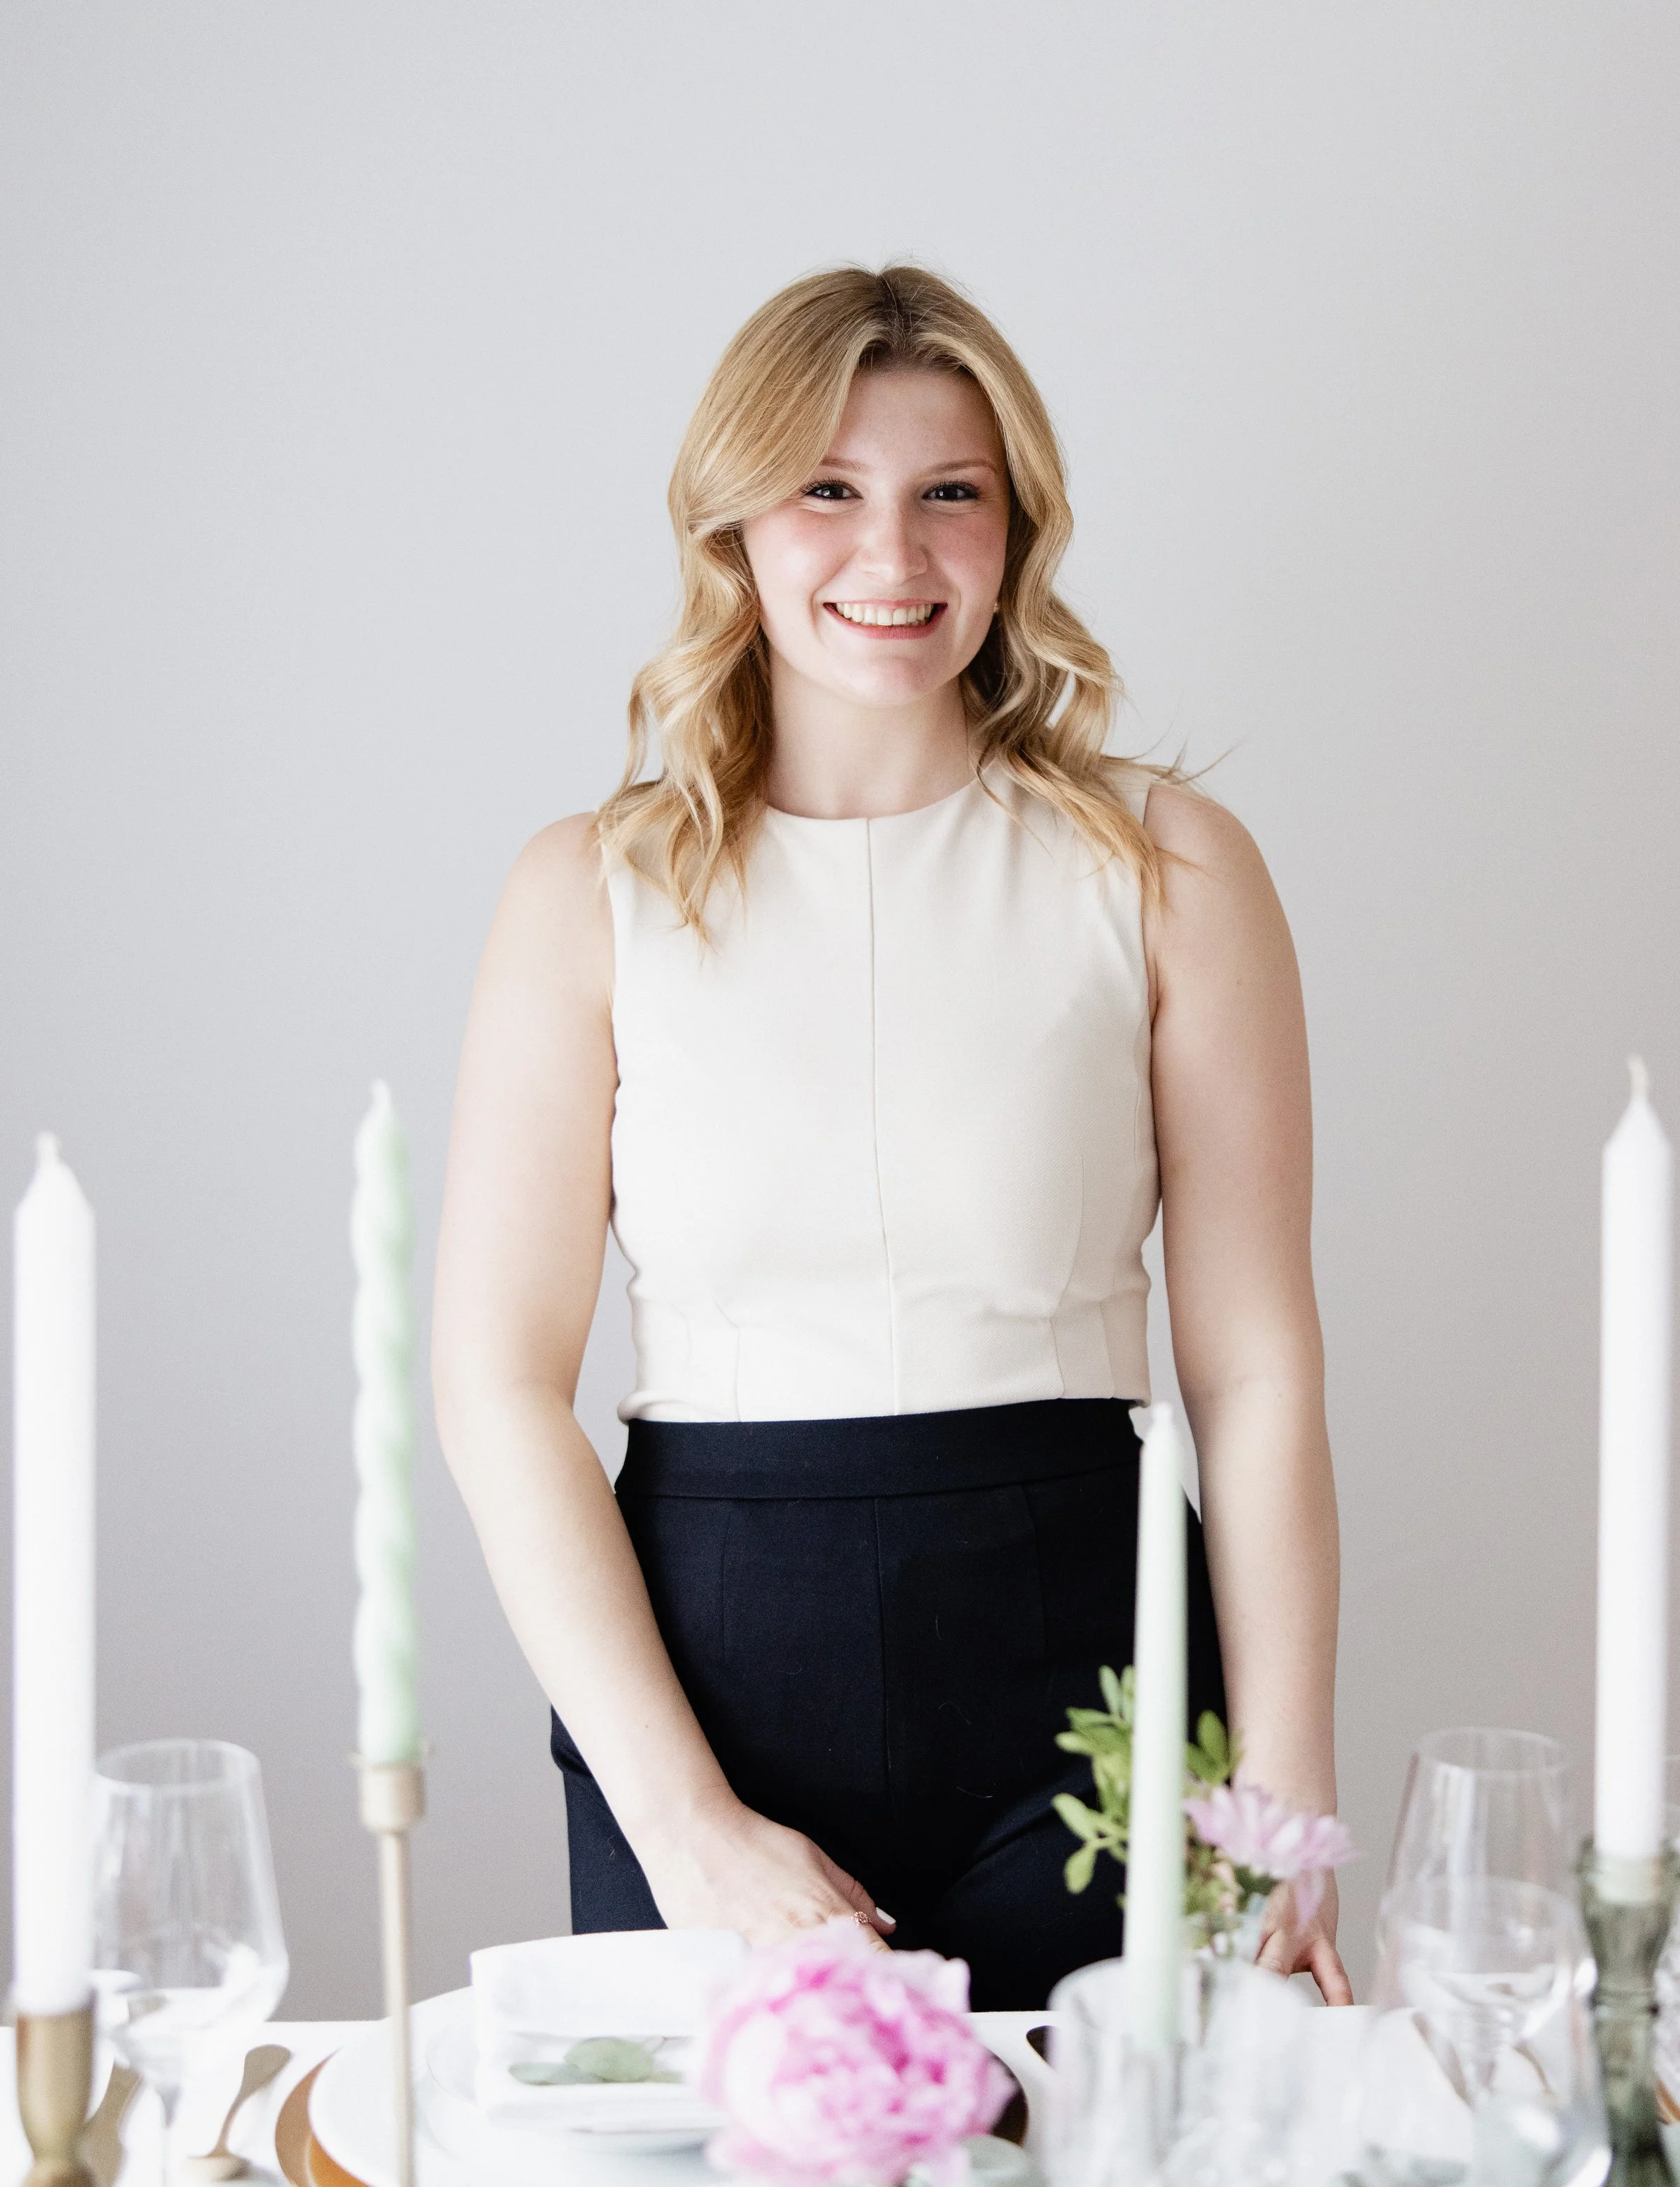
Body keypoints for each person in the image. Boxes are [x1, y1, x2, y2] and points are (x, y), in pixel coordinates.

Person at [432, 264, 1348, 2009]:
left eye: (952, 494)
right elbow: (492, 1383)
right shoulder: (586, 893)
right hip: (703, 1675)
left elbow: (1256, 1365)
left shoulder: (1168, 869)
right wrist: (685, 1822)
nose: (893, 556)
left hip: (1088, 1663)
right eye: (826, 492)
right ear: (734, 533)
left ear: (1016, 529)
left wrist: (1281, 1786)